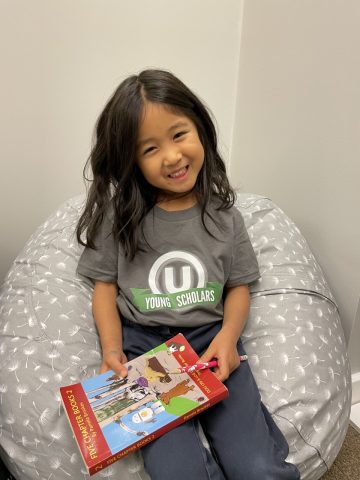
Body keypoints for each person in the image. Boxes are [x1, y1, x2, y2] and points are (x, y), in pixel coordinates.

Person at [76, 69, 300, 480]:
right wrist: (112, 350)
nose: (173, 156)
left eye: (179, 135)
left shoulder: (225, 217)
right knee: (178, 471)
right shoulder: (119, 217)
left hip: (210, 343)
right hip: (147, 354)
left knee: (255, 466)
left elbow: (238, 286)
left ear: (200, 129)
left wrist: (228, 338)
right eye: (150, 148)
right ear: (130, 160)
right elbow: (104, 287)